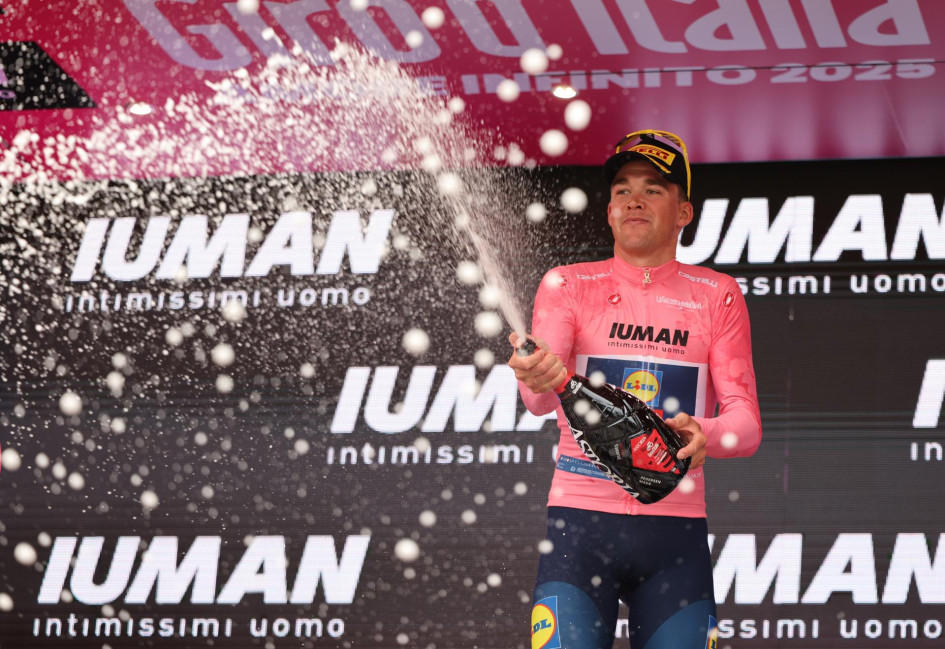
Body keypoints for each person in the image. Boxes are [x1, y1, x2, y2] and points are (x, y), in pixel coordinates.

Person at [508, 130, 762, 649]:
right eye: (622, 189)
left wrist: (702, 433)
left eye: (654, 187)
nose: (634, 199)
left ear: (684, 212)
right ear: (608, 212)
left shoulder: (718, 294)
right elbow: (537, 400)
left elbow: (747, 427)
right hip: (578, 532)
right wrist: (532, 373)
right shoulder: (568, 284)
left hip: (674, 540)